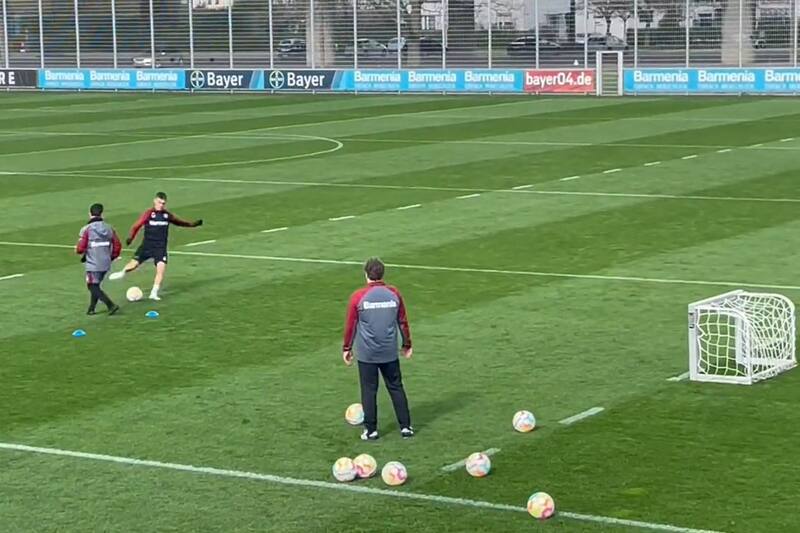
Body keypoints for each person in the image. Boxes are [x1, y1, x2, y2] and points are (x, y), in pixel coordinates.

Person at [342, 257, 414, 441]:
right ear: (382, 274)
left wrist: (347, 348)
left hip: (367, 353)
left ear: (366, 274)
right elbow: (403, 321)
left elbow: (351, 324)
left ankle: (371, 430)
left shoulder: (358, 296)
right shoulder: (394, 293)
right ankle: (406, 427)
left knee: (369, 390)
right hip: (389, 351)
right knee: (396, 387)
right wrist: (407, 345)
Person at [109, 192, 203, 301]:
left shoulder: (166, 215)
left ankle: (154, 293)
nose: (161, 205)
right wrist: (131, 237)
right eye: (159, 202)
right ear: (155, 201)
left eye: (163, 203)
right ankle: (122, 273)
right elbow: (137, 225)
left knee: (160, 269)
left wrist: (193, 224)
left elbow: (179, 222)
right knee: (134, 265)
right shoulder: (149, 213)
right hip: (147, 245)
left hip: (160, 248)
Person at [76, 203, 121, 316]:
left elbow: (80, 248)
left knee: (92, 286)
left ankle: (110, 305)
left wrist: (79, 251)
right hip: (106, 263)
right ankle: (91, 309)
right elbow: (117, 245)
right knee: (95, 284)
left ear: (90, 213)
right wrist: (111, 257)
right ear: (101, 213)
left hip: (93, 264)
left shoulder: (87, 229)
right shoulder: (109, 228)